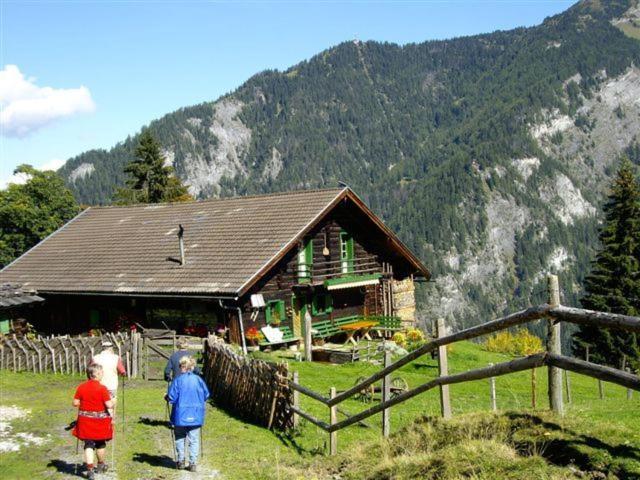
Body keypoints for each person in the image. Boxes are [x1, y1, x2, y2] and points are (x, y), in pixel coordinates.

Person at [166, 355, 210, 472]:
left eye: (181, 366)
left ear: (185, 367)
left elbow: (171, 397)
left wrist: (167, 397)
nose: (179, 368)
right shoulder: (199, 380)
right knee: (194, 439)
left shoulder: (178, 381)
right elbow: (206, 395)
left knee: (180, 437)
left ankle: (180, 461)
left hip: (180, 414)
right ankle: (193, 463)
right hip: (196, 414)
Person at [72, 364, 114, 479]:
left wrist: (85, 405)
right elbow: (109, 404)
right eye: (101, 372)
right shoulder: (102, 388)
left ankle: (90, 469)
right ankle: (100, 465)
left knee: (88, 443)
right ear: (96, 374)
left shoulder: (81, 387)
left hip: (85, 420)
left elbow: (75, 403)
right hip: (100, 421)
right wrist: (113, 401)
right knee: (100, 443)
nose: (103, 374)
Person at [91, 341, 126, 412]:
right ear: (111, 348)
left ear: (102, 348)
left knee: (99, 401)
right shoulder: (115, 358)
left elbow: (90, 370)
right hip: (111, 385)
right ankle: (112, 419)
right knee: (112, 402)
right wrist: (122, 374)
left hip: (98, 385)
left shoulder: (95, 358)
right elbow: (122, 371)